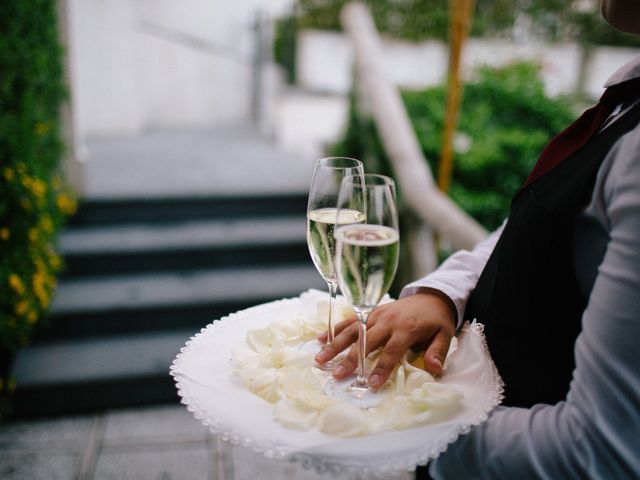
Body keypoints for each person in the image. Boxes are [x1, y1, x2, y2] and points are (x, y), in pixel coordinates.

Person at [315, 1, 640, 477]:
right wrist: (441, 294)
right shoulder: (626, 101)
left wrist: (402, 428)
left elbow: (602, 451)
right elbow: (533, 225)